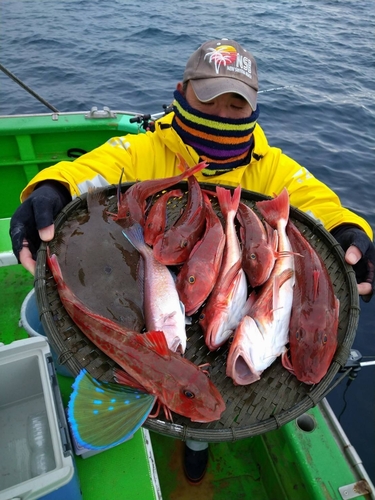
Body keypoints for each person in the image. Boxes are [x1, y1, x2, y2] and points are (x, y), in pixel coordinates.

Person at [10, 38, 375, 484]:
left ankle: (197, 442)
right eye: (209, 100)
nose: (222, 116)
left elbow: (323, 206)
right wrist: (50, 188)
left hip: (206, 345)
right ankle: (178, 432)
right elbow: (90, 171)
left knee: (203, 406)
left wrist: (352, 233)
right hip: (169, 310)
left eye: (235, 106)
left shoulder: (273, 169)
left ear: (254, 109)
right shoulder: (144, 152)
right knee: (180, 379)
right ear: (182, 92)